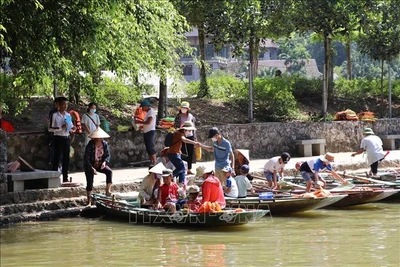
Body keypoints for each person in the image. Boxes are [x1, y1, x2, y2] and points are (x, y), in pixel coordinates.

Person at [48, 97, 76, 183]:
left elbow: (70, 126)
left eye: (67, 104)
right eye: (63, 104)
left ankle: (65, 177)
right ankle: (54, 176)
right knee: (56, 157)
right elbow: (50, 129)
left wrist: (72, 129)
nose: (65, 106)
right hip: (58, 137)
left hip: (66, 137)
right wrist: (61, 128)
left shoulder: (68, 115)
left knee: (66, 158)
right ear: (59, 105)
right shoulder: (54, 115)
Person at [84, 128, 112, 205]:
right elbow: (86, 159)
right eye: (98, 138)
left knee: (109, 171)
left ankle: (107, 191)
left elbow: (107, 155)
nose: (100, 139)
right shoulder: (90, 145)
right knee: (89, 182)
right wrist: (91, 168)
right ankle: (89, 201)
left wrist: (104, 162)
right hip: (90, 165)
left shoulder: (104, 144)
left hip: (100, 164)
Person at [167, 121, 200, 186]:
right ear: (186, 129)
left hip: (176, 153)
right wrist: (194, 143)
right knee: (181, 168)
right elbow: (184, 140)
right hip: (173, 154)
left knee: (182, 169)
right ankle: (168, 177)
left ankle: (181, 183)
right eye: (189, 130)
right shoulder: (180, 134)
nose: (190, 131)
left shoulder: (178, 132)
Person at [174, 101, 197, 175]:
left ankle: (189, 169)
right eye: (182, 108)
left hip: (190, 135)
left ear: (188, 109)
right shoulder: (179, 116)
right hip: (182, 136)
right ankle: (183, 168)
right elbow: (176, 127)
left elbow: (193, 127)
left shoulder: (191, 116)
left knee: (190, 152)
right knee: (183, 152)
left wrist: (195, 137)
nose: (183, 109)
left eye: (185, 108)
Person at [140, 99, 157, 165]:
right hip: (146, 131)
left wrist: (139, 122)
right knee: (148, 148)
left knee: (150, 147)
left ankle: (154, 161)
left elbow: (148, 122)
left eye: (143, 107)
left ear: (147, 106)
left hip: (150, 131)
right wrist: (142, 126)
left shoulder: (151, 111)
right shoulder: (148, 112)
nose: (142, 108)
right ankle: (152, 161)